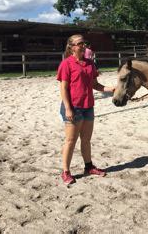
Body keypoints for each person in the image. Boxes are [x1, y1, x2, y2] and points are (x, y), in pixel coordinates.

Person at [57, 34, 115, 186]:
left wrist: (111, 89)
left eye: (84, 43)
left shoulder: (90, 63)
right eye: (80, 43)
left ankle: (88, 167)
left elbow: (95, 85)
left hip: (88, 106)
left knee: (86, 140)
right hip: (73, 107)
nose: (83, 45)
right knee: (70, 141)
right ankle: (65, 171)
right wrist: (68, 109)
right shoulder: (66, 64)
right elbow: (63, 88)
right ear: (71, 47)